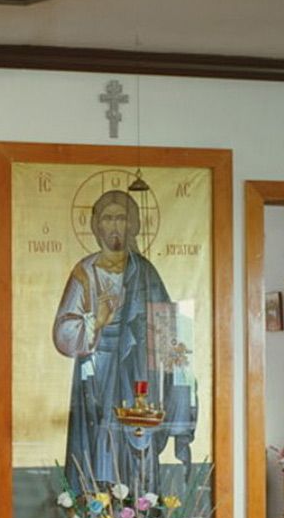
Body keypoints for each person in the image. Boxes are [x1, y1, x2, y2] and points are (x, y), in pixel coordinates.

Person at [52, 190, 196, 496]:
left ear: (133, 225)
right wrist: (97, 321)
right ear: (96, 225)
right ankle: (95, 511)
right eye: (108, 218)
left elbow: (169, 334)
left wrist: (179, 390)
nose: (115, 225)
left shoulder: (144, 272)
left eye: (121, 218)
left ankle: (136, 514)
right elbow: (63, 332)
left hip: (136, 373)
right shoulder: (85, 272)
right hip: (95, 372)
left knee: (135, 442)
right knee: (96, 443)